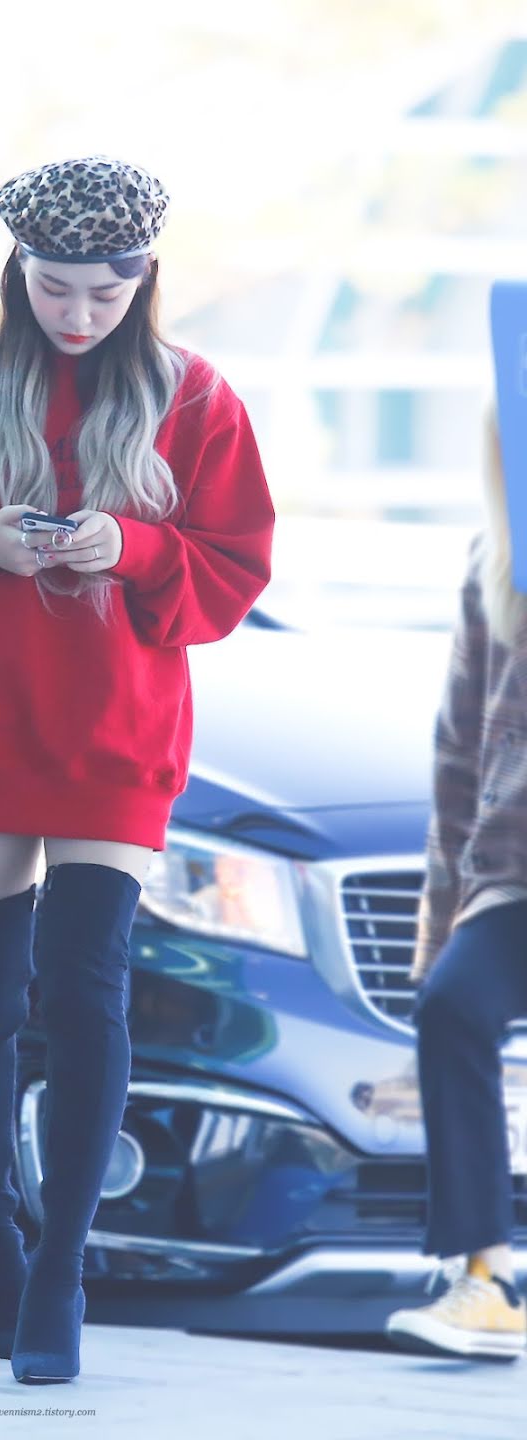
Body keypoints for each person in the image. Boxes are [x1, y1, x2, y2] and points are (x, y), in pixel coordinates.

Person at [0, 154, 275, 1384]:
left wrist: (128, 547)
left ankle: (60, 1271)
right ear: (16, 270)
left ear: (146, 280)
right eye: (55, 287)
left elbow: (232, 573)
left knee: (87, 998)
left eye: (105, 292)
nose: (79, 314)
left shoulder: (195, 394)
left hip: (117, 737)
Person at [385, 402, 527, 1360]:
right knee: (452, 1006)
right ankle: (488, 1279)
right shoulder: (494, 564)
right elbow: (456, 760)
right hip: (513, 879)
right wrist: (435, 939)